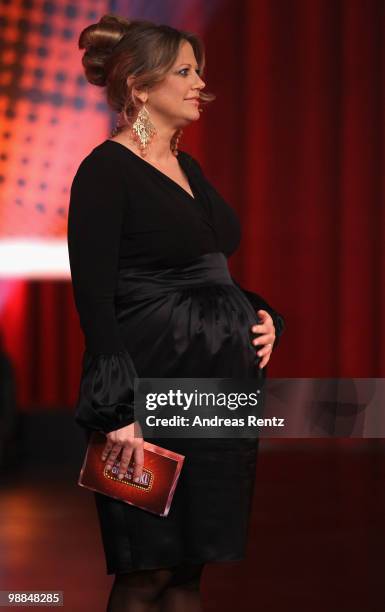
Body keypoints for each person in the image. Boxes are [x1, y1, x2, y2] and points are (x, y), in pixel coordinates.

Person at [67, 14, 285, 612]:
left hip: (216, 388)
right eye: (184, 72)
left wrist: (262, 317)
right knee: (146, 569)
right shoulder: (105, 171)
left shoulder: (188, 169)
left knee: (190, 570)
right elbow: (93, 297)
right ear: (139, 87)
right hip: (146, 389)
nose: (200, 85)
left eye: (199, 71)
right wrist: (118, 410)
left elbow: (207, 270)